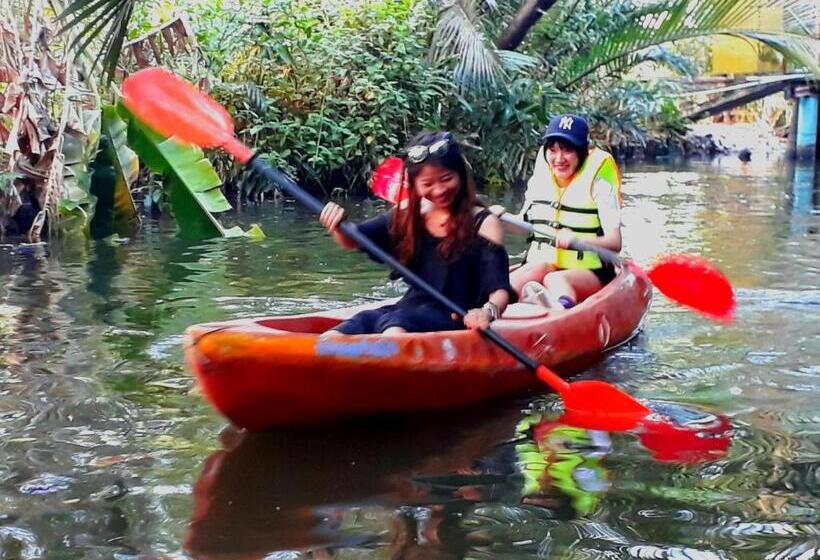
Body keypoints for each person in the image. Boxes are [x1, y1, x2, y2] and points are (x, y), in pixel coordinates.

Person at [319, 131, 517, 334]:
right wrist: (338, 226)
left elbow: (499, 288)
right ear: (414, 185)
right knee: (359, 322)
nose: (439, 190)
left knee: (395, 328)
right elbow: (354, 240)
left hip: (455, 316)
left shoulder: (483, 222)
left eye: (446, 178)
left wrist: (487, 312)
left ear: (460, 175)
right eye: (427, 184)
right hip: (408, 308)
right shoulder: (408, 215)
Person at [493, 114, 622, 309]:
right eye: (552, 150)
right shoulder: (541, 180)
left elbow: (615, 242)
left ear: (581, 152)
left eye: (567, 150)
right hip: (547, 263)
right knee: (530, 272)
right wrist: (500, 218)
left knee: (555, 280)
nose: (558, 158)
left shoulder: (600, 184)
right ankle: (492, 307)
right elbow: (525, 227)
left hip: (589, 270)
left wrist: (577, 241)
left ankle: (559, 309)